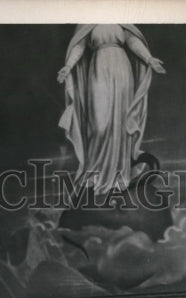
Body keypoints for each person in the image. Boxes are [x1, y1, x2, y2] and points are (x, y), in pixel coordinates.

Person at [57, 24, 167, 196]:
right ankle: (94, 173)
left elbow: (132, 40)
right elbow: (79, 45)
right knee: (98, 125)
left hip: (121, 69)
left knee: (120, 124)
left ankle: (118, 176)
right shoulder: (87, 21)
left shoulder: (121, 16)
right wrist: (68, 66)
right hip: (98, 68)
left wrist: (149, 59)